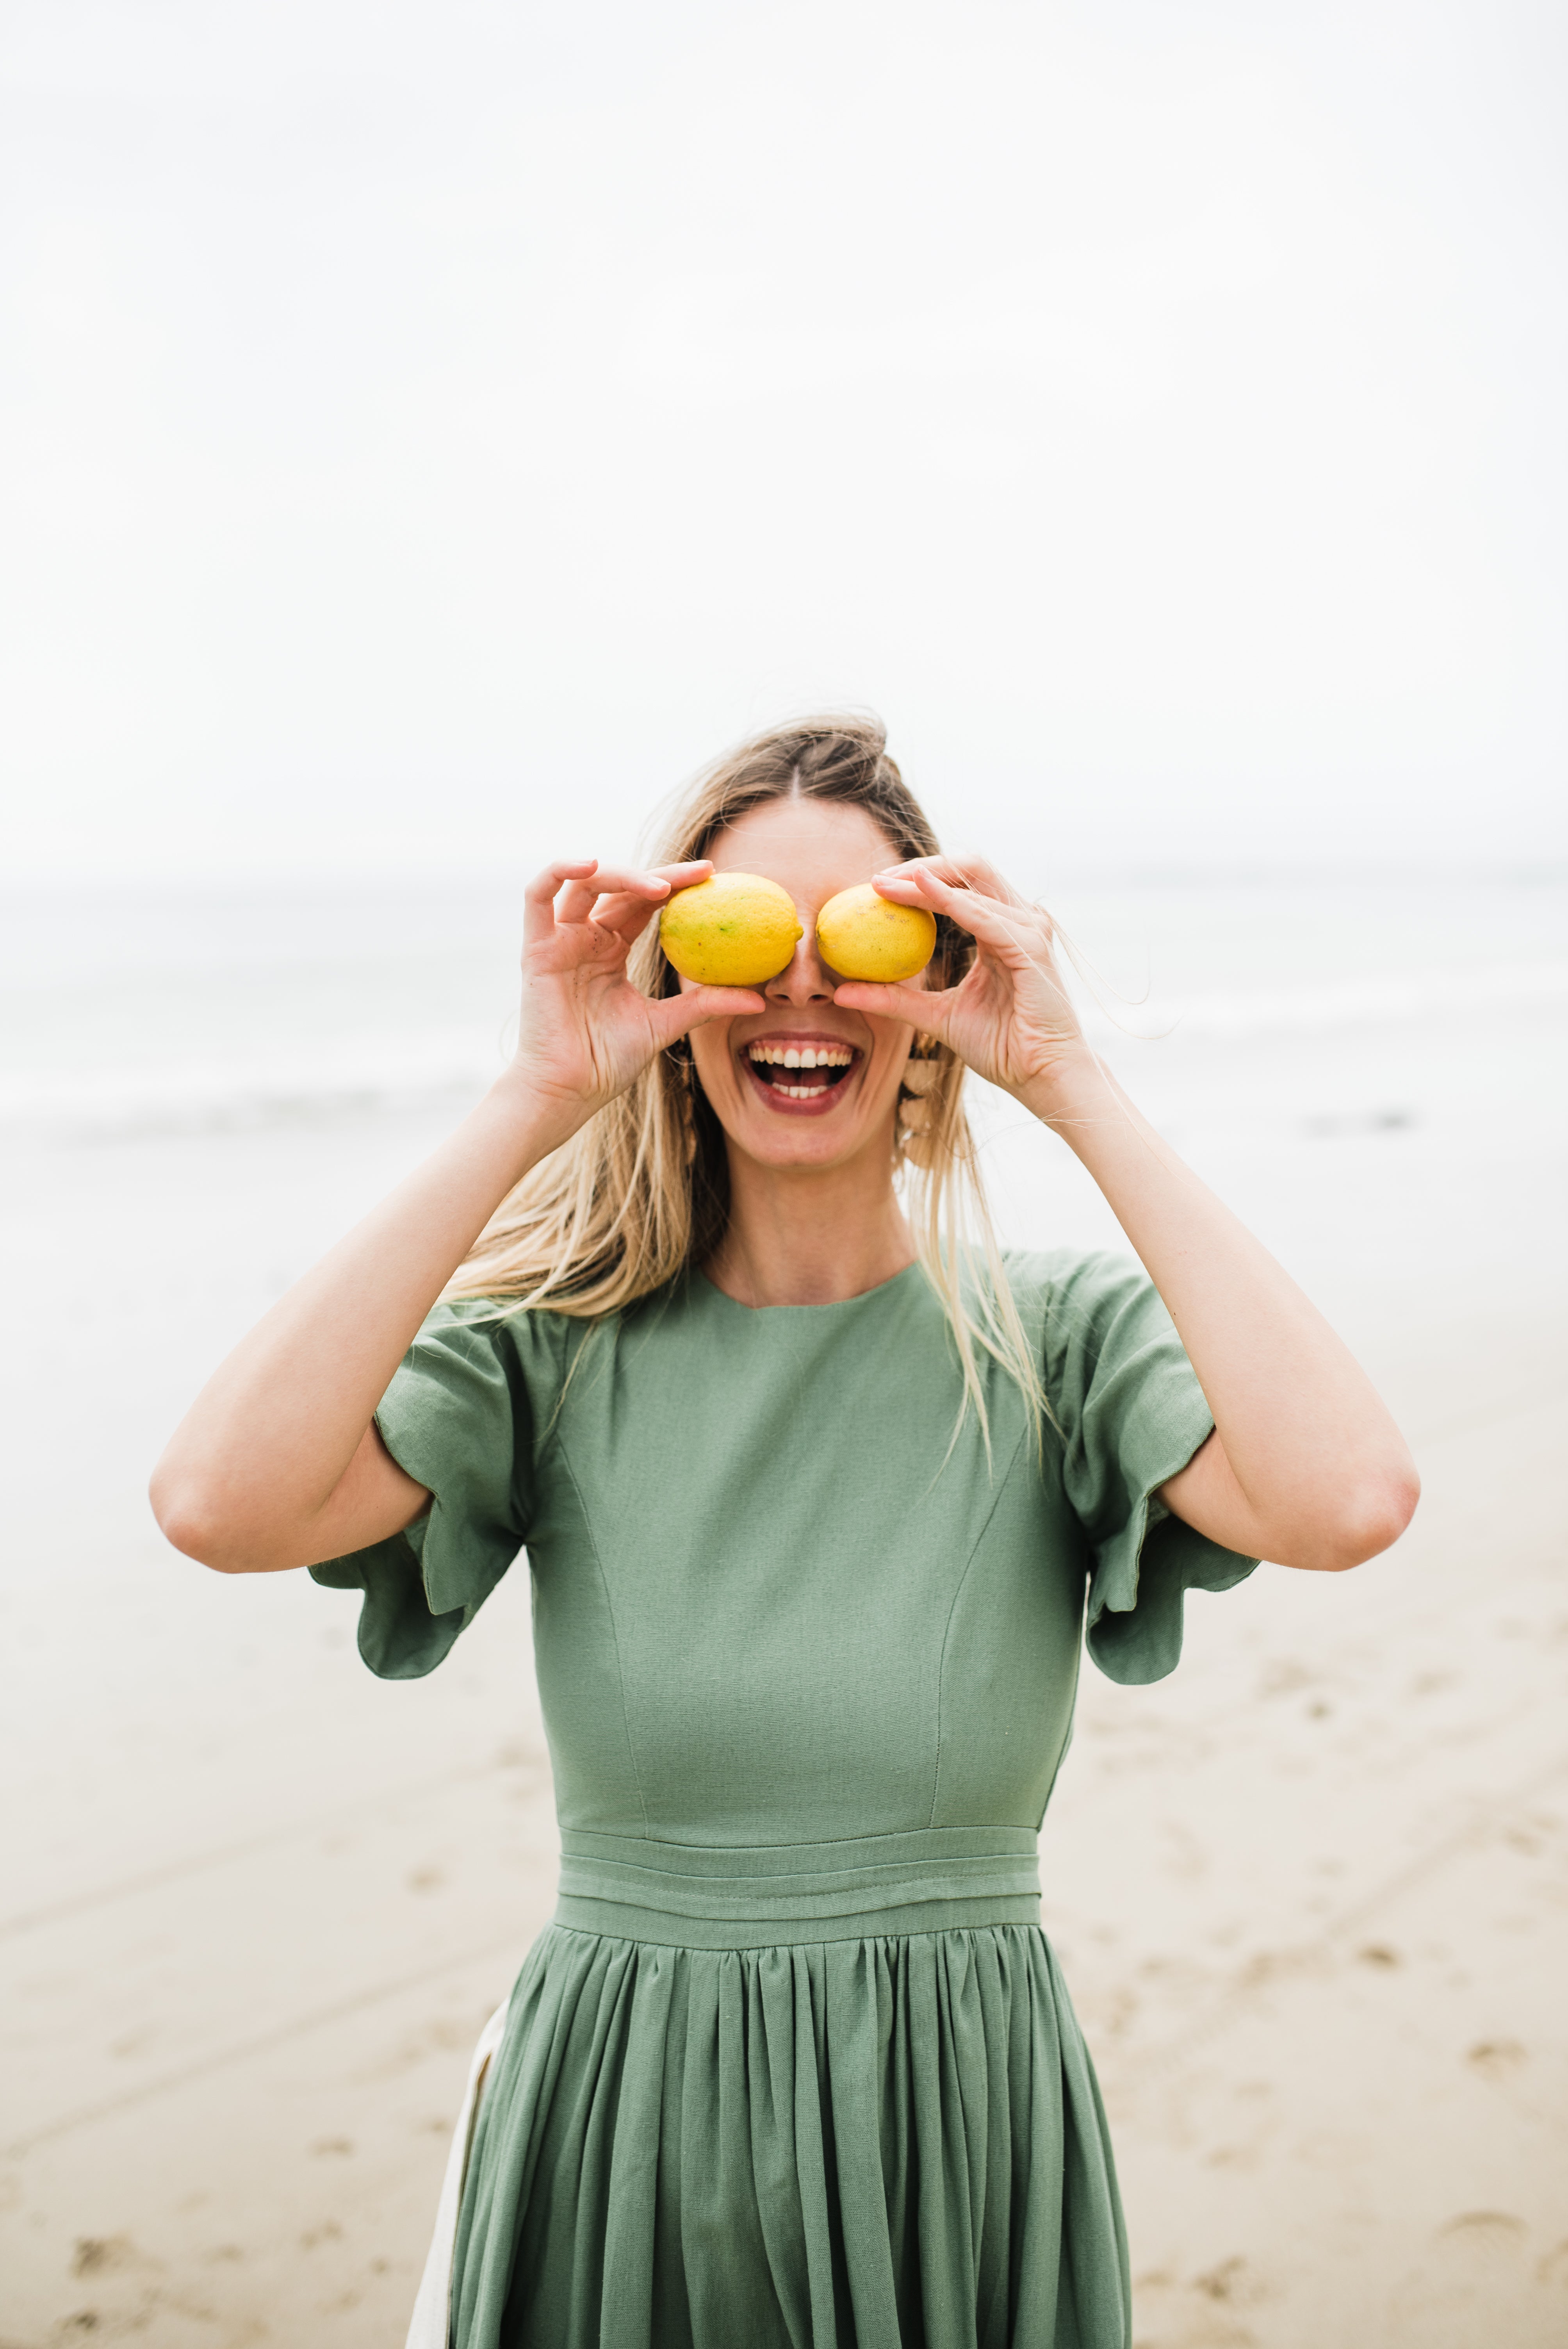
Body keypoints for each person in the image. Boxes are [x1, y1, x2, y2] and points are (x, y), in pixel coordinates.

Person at [151, 716, 1419, 2349]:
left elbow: (1349, 1498)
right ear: (673, 975)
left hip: (952, 2139)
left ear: (936, 979)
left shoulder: (1056, 1346)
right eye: (748, 938)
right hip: (618, 2129)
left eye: (865, 941)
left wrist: (1064, 1076)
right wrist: (534, 1088)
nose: (805, 989)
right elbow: (214, 1500)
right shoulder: (553, 1351)